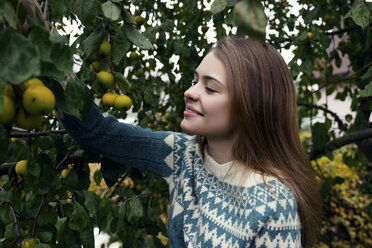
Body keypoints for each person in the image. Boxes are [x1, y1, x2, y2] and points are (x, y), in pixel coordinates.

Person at [57, 36, 321, 247]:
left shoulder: (274, 205)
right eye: (194, 81)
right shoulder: (182, 156)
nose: (189, 92)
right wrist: (48, 56)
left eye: (210, 87)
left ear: (252, 104)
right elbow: (96, 131)